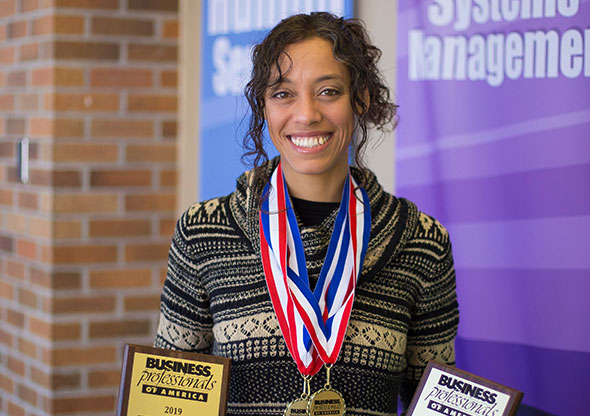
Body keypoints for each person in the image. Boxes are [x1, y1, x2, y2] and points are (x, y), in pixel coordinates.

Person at [155, 12, 458, 416]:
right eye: (283, 94)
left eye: (328, 91)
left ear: (360, 99)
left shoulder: (422, 240)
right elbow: (169, 399)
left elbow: (435, 401)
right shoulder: (203, 232)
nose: (306, 114)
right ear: (263, 105)